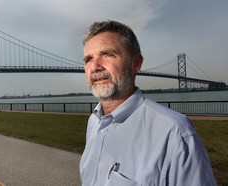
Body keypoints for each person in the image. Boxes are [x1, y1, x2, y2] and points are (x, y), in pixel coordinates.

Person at [79, 20, 217, 186]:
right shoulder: (94, 122)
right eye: (88, 59)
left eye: (108, 54)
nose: (94, 67)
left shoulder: (175, 133)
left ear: (135, 64)